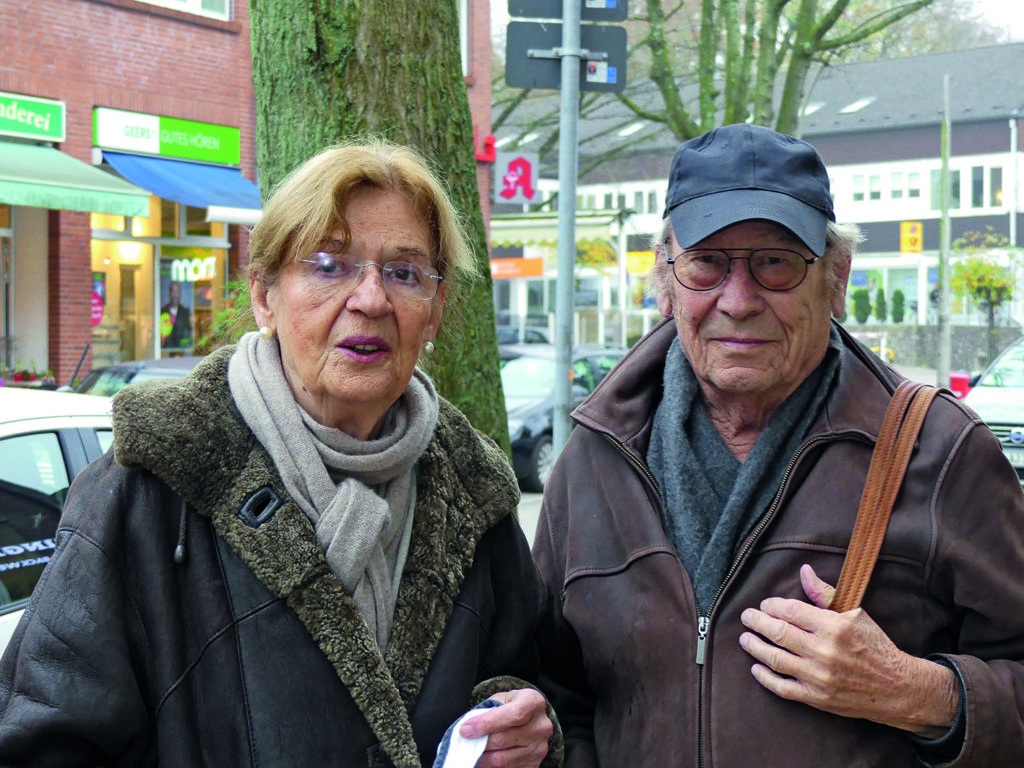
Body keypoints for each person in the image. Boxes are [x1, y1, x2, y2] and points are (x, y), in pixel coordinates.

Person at [0, 140, 560, 768]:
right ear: (265, 295)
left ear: (433, 314)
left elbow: (532, 680)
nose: (372, 300)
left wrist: (512, 723)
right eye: (328, 264)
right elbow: (43, 742)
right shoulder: (151, 485)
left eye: (404, 272)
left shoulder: (474, 495)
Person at [532, 123, 1024, 767]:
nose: (737, 302)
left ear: (836, 277)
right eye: (707, 263)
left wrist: (919, 694)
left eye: (776, 263)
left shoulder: (939, 452)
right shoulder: (597, 455)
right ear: (665, 278)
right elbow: (553, 693)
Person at [160, 279, 193, 349]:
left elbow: (188, 332)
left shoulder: (185, 312)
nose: (175, 295)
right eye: (173, 291)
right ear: (169, 293)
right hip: (166, 351)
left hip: (181, 350)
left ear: (180, 294)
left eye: (177, 292)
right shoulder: (163, 310)